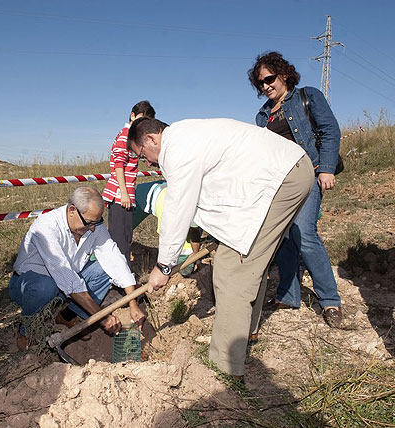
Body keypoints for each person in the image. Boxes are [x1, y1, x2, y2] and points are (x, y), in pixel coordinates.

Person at [127, 117, 313, 378]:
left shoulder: (176, 148)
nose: (146, 162)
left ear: (150, 139)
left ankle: (225, 367)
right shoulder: (186, 136)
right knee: (249, 261)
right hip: (287, 172)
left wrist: (164, 264)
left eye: (142, 154)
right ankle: (247, 332)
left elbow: (178, 207)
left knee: (231, 270)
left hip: (280, 179)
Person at [248, 51, 343, 328]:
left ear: (284, 74)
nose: (266, 86)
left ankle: (330, 300)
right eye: (260, 83)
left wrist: (325, 167)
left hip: (310, 175)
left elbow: (330, 130)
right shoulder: (262, 115)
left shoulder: (307, 96)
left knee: (305, 235)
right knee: (284, 238)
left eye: (269, 78)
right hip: (280, 184)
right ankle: (288, 295)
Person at [9, 186, 146, 350]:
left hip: (66, 285)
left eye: (98, 222)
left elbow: (114, 259)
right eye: (89, 223)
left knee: (104, 269)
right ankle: (26, 330)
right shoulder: (46, 227)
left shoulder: (92, 223)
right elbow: (67, 279)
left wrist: (133, 303)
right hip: (30, 285)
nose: (94, 228)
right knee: (45, 287)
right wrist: (102, 317)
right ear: (72, 210)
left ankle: (66, 316)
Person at [102, 100, 156, 263]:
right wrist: (124, 194)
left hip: (126, 195)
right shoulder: (125, 135)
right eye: (141, 119)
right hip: (120, 195)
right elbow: (118, 165)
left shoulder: (132, 136)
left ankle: (122, 277)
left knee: (125, 237)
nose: (143, 124)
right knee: (120, 241)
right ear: (132, 116)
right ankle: (120, 281)